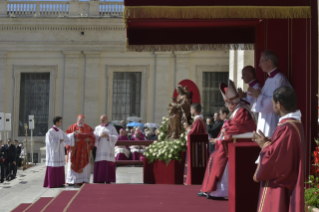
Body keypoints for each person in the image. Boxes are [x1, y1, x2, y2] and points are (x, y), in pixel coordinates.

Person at [198, 79, 256, 199]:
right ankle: (213, 189)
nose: (228, 106)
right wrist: (227, 130)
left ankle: (222, 191)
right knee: (215, 154)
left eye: (230, 103)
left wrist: (227, 131)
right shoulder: (237, 110)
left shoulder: (243, 110)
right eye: (227, 104)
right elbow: (233, 125)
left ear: (235, 102)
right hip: (233, 141)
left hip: (241, 142)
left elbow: (242, 126)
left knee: (219, 155)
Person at [252, 86, 304, 212]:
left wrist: (264, 145)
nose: (273, 106)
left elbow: (276, 159)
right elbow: (282, 150)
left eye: (273, 103)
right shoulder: (293, 124)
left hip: (279, 185)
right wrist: (270, 141)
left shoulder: (287, 127)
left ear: (279, 105)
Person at [248, 51, 291, 163]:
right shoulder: (268, 80)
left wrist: (259, 96)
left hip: (272, 120)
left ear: (270, 62)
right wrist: (257, 96)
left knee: (271, 154)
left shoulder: (279, 78)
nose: (259, 65)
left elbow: (274, 103)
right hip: (265, 119)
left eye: (261, 61)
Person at [66, 115, 95, 185]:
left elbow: (93, 138)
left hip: (84, 150)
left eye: (83, 120)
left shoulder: (88, 128)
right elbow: (66, 137)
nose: (81, 121)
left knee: (85, 166)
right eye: (80, 120)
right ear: (77, 119)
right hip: (74, 150)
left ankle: (84, 180)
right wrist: (74, 139)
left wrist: (88, 139)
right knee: (72, 164)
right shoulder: (71, 127)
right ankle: (72, 181)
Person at [43, 116, 72, 188]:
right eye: (60, 121)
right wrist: (59, 141)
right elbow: (50, 143)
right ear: (57, 122)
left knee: (60, 167)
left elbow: (67, 137)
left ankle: (59, 183)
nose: (62, 123)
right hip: (54, 154)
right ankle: (52, 183)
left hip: (60, 153)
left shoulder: (60, 131)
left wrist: (74, 135)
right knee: (54, 167)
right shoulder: (50, 132)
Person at [183, 103, 207, 185]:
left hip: (196, 147)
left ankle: (191, 180)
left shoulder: (197, 121)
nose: (190, 111)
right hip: (199, 146)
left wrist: (187, 129)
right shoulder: (200, 120)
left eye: (190, 110)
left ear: (194, 110)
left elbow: (192, 134)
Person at [93, 115, 118, 183]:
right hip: (100, 148)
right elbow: (93, 138)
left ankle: (108, 179)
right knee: (100, 162)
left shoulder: (112, 127)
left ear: (107, 120)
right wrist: (99, 136)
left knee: (108, 161)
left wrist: (108, 136)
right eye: (101, 120)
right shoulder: (97, 128)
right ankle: (99, 179)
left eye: (104, 120)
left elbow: (116, 137)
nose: (102, 121)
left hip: (108, 149)